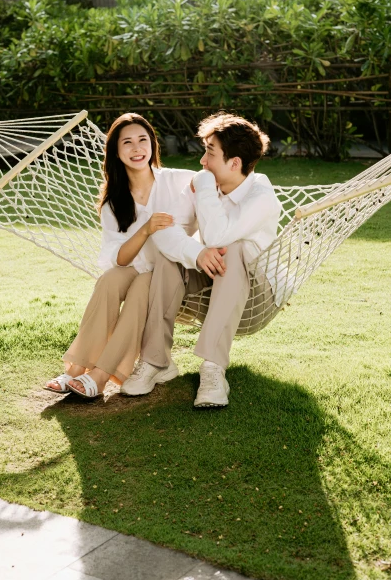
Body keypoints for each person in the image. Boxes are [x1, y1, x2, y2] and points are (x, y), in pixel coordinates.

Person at [120, 112, 281, 407]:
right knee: (171, 258)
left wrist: (205, 187)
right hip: (210, 293)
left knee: (232, 250)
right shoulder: (204, 185)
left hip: (255, 300)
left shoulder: (261, 195)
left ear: (234, 163)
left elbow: (220, 237)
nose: (202, 163)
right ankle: (157, 362)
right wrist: (196, 253)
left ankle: (213, 368)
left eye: (210, 154)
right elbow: (165, 232)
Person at [44, 112, 196, 398]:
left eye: (143, 140)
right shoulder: (113, 201)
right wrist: (146, 229)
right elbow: (121, 259)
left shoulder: (178, 180)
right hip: (136, 267)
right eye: (127, 142)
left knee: (141, 288)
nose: (137, 149)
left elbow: (214, 191)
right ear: (115, 151)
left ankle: (101, 376)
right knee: (109, 280)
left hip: (170, 271)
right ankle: (77, 369)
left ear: (153, 145)